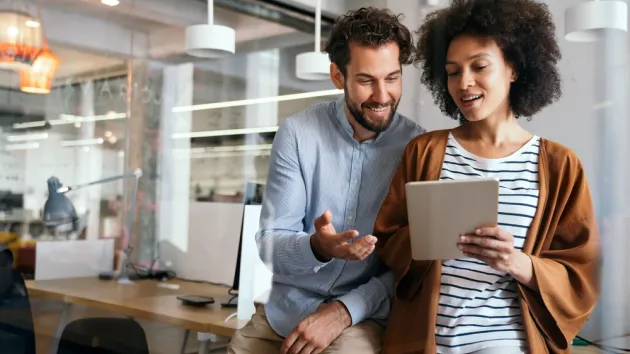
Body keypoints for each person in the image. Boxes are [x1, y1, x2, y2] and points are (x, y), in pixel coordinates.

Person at [373, 0, 601, 353]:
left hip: (506, 340)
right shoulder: (424, 151)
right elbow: (387, 239)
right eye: (452, 71)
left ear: (513, 68)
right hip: (425, 338)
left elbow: (580, 273)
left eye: (479, 66)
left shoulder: (560, 165)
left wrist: (516, 262)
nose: (464, 83)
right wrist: (427, 237)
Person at [227, 7, 425, 354]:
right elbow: (270, 244)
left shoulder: (417, 147)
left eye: (392, 78)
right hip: (285, 312)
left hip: (361, 316)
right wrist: (319, 247)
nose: (382, 95)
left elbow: (413, 264)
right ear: (338, 76)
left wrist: (343, 311)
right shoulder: (298, 134)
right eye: (366, 80)